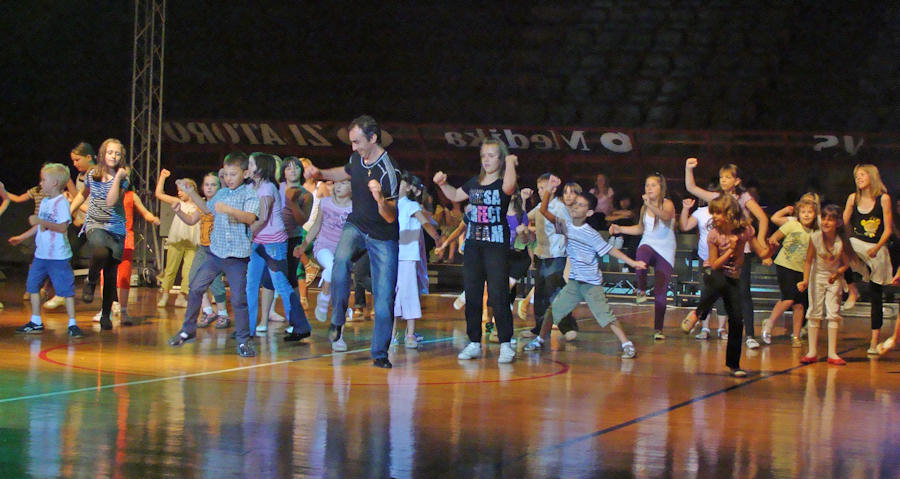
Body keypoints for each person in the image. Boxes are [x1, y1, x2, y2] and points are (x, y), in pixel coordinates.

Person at [304, 115, 400, 369]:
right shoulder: (357, 158)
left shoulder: (388, 170)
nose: (354, 147)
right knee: (340, 261)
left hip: (382, 236)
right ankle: (337, 320)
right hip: (357, 224)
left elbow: (391, 217)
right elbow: (345, 171)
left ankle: (380, 353)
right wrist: (321, 173)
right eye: (352, 142)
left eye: (357, 142)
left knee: (383, 297)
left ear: (373, 138)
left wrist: (380, 199)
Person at [523, 179, 645, 357]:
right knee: (552, 311)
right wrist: (548, 190)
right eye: (575, 204)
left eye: (580, 205)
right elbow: (543, 211)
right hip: (574, 283)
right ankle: (539, 340)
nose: (575, 207)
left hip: (591, 284)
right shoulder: (565, 226)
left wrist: (632, 262)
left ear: (589, 212)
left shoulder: (590, 234)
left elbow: (610, 249)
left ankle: (627, 345)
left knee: (605, 316)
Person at [434, 138, 519, 364]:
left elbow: (510, 187)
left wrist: (511, 163)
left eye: (492, 155)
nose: (486, 160)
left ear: (501, 158)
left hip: (496, 245)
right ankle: (473, 342)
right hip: (473, 245)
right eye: (483, 156)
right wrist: (442, 184)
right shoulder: (474, 182)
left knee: (498, 294)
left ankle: (505, 343)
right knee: (472, 294)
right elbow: (454, 195)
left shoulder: (503, 181)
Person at [168, 152, 261, 357]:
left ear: (245, 174)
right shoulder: (221, 193)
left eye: (233, 174)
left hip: (236, 257)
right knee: (195, 287)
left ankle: (244, 340)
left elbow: (250, 218)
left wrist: (228, 210)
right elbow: (206, 209)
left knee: (238, 299)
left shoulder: (249, 194)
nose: (229, 178)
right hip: (216, 253)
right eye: (226, 174)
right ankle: (188, 330)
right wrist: (191, 192)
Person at [685, 157, 769, 350]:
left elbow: (762, 218)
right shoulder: (718, 198)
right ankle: (699, 317)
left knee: (743, 292)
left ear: (737, 181)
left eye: (728, 177)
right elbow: (692, 187)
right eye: (721, 177)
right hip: (721, 250)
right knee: (715, 287)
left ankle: (750, 335)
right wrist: (689, 169)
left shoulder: (744, 198)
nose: (723, 180)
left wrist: (761, 240)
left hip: (741, 250)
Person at [243, 153, 312, 341]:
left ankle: (300, 326)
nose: (248, 167)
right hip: (258, 241)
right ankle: (247, 328)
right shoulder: (251, 186)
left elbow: (263, 218)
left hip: (274, 242)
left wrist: (245, 235)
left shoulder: (268, 188)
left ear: (261, 168)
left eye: (251, 164)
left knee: (282, 284)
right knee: (251, 284)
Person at [699, 195, 770, 377]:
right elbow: (715, 265)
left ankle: (734, 365)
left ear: (730, 214)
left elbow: (762, 252)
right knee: (719, 281)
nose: (714, 216)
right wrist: (731, 250)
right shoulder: (714, 234)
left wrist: (771, 249)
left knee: (737, 320)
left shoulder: (745, 231)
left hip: (732, 277)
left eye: (718, 213)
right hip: (713, 271)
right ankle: (698, 313)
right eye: (713, 213)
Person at [10, 163, 80, 336]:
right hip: (41, 254)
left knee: (66, 290)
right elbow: (38, 227)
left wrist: (41, 222)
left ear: (54, 183)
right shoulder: (45, 202)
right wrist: (21, 237)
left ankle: (72, 323)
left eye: (43, 180)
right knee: (32, 285)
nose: (40, 183)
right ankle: (35, 321)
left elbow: (62, 227)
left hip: (58, 256)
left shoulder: (62, 203)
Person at [67, 138, 130, 330]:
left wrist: (117, 178)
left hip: (116, 227)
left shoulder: (123, 178)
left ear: (121, 157)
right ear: (102, 154)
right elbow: (83, 194)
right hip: (95, 223)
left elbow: (111, 201)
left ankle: (105, 314)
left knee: (110, 273)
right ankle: (91, 279)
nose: (113, 156)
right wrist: (70, 210)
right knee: (100, 251)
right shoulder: (92, 174)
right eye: (110, 152)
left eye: (117, 153)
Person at [609, 172, 676, 340]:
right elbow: (640, 229)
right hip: (649, 243)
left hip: (666, 249)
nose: (649, 188)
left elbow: (666, 217)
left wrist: (651, 205)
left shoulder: (667, 203)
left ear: (661, 187)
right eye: (647, 185)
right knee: (641, 253)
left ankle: (658, 329)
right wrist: (620, 229)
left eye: (653, 185)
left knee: (661, 290)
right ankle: (641, 289)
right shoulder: (644, 207)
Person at [521, 173, 580, 341]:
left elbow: (565, 231)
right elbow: (524, 219)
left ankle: (568, 326)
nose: (540, 191)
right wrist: (523, 200)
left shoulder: (559, 207)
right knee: (540, 294)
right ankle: (540, 328)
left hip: (555, 255)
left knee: (555, 292)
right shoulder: (540, 206)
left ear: (553, 189)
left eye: (543, 188)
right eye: (539, 188)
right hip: (541, 255)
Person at [842, 164, 893, 354]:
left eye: (862, 175)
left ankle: (874, 341)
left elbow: (888, 229)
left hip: (876, 247)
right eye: (857, 176)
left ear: (872, 176)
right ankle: (852, 290)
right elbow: (843, 223)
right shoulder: (852, 198)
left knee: (876, 294)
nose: (859, 178)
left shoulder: (883, 199)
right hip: (857, 243)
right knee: (841, 249)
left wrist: (877, 248)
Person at [92, 184, 160, 325]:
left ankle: (123, 311)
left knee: (124, 277)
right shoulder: (105, 195)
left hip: (125, 240)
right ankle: (106, 310)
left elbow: (144, 212)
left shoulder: (131, 196)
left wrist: (152, 218)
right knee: (105, 276)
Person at [797, 205, 855, 365]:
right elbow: (808, 261)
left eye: (830, 219)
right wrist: (805, 280)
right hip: (817, 277)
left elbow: (846, 264)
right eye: (824, 218)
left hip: (834, 280)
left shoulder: (841, 241)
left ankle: (832, 353)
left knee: (833, 312)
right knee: (814, 311)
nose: (826, 222)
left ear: (838, 222)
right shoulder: (815, 237)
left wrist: (837, 274)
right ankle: (812, 352)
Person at [759, 193, 819, 346]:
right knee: (788, 298)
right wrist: (769, 252)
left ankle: (796, 336)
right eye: (803, 212)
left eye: (810, 212)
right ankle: (769, 324)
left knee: (799, 304)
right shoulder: (792, 225)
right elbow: (774, 237)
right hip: (785, 265)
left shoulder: (815, 232)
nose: (806, 215)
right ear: (798, 213)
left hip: (802, 269)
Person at [391, 172, 441, 348]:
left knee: (404, 293)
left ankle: (401, 333)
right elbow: (426, 223)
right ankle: (401, 334)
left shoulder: (406, 205)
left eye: (403, 183)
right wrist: (437, 238)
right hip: (401, 255)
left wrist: (436, 237)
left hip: (404, 255)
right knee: (403, 293)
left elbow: (426, 223)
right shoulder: (401, 205)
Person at [174, 172, 230, 329]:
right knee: (194, 278)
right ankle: (208, 311)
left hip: (216, 250)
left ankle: (223, 313)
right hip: (203, 248)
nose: (209, 188)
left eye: (213, 185)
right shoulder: (202, 204)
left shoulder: (220, 204)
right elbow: (192, 220)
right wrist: (179, 211)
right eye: (207, 185)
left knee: (215, 282)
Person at [296, 178, 353, 327]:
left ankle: (338, 308)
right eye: (337, 182)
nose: (339, 186)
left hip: (342, 249)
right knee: (332, 267)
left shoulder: (354, 208)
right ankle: (324, 298)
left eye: (344, 183)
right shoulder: (325, 202)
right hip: (323, 246)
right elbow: (316, 226)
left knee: (339, 278)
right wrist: (304, 245)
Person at [679, 196, 727, 340]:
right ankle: (705, 328)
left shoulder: (726, 210)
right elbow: (685, 226)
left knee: (722, 294)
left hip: (722, 259)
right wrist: (685, 209)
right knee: (706, 292)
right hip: (705, 258)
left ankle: (722, 329)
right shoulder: (700, 212)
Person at [155, 169, 200, 308]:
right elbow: (159, 194)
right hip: (177, 240)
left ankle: (182, 296)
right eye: (178, 190)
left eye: (182, 190)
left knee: (189, 271)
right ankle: (165, 294)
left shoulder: (199, 205)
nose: (179, 193)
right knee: (170, 269)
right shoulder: (177, 201)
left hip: (192, 242)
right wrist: (162, 177)